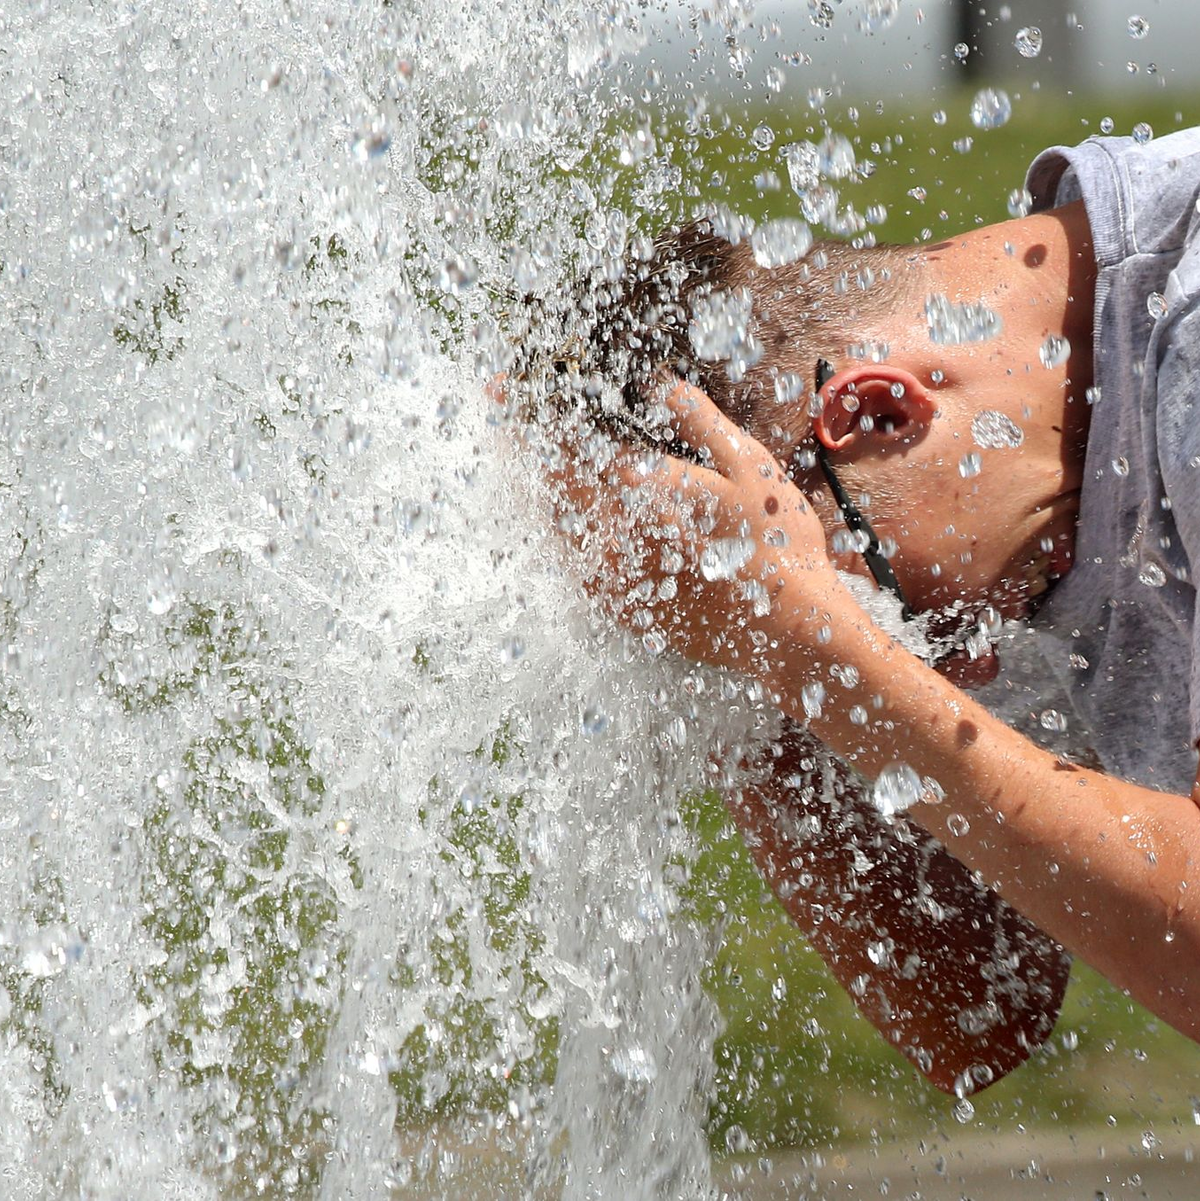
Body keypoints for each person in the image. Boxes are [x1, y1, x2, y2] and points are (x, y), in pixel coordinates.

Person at [533, 127, 1200, 1094]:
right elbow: (979, 1005)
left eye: (880, 609)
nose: (959, 672)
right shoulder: (1044, 477)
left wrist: (811, 643)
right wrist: (740, 640)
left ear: (880, 414)